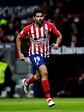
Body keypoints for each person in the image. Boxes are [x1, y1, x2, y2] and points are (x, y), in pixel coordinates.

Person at [16, 8, 62, 107]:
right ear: (34, 18)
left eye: (41, 16)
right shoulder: (29, 29)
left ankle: (27, 82)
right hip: (34, 54)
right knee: (44, 72)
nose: (40, 18)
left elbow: (59, 35)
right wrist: (20, 53)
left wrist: (57, 44)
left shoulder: (49, 26)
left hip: (45, 54)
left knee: (38, 77)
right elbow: (18, 38)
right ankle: (49, 99)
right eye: (38, 16)